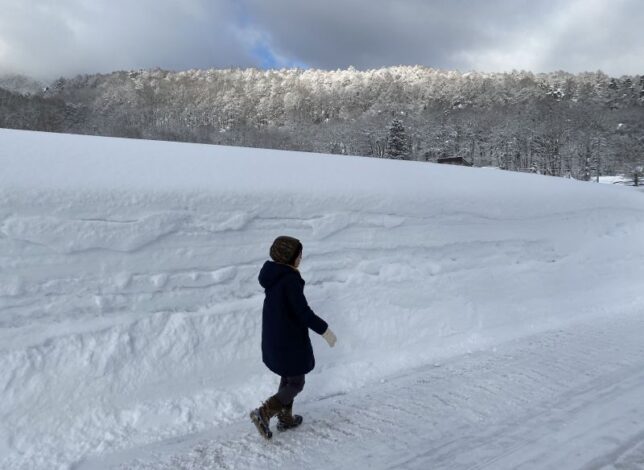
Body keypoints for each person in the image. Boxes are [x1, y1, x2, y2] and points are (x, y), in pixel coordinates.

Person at [250, 235, 337, 439]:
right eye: (299, 255)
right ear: (290, 257)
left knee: (288, 378)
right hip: (289, 341)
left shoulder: (274, 276)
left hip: (276, 338)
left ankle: (285, 418)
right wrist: (325, 331)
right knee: (297, 383)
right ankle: (264, 412)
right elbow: (303, 313)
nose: (301, 258)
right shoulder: (289, 280)